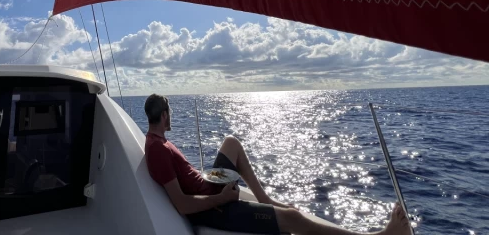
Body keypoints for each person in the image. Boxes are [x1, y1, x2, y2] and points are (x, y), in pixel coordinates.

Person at [143, 94, 410, 235]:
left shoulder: (160, 141)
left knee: (231, 142)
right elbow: (182, 204)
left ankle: (264, 198)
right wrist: (222, 199)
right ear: (165, 114)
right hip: (211, 207)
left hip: (210, 188)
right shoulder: (156, 149)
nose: (171, 118)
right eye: (170, 113)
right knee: (293, 218)